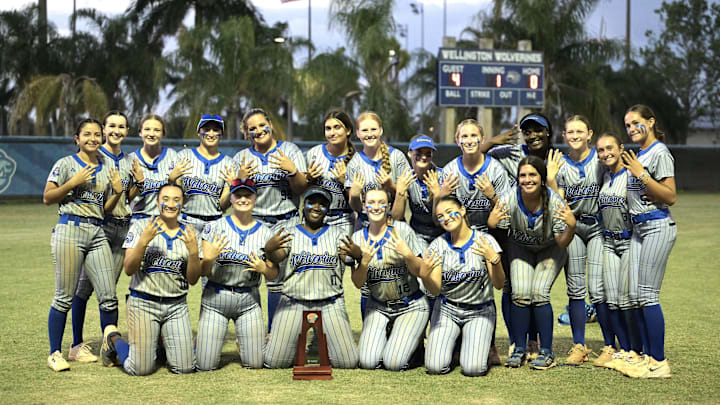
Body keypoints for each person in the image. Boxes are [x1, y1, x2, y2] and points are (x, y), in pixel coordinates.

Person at [43, 118, 121, 371]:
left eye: (97, 134)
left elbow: (104, 208)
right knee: (64, 296)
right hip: (70, 229)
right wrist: (71, 183)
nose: (93, 138)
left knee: (108, 296)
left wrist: (118, 193)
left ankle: (102, 349)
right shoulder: (65, 164)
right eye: (87, 134)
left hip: (97, 231)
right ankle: (55, 352)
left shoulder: (107, 165)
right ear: (76, 138)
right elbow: (47, 197)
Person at [101, 183, 201, 375]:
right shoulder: (141, 226)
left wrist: (194, 252)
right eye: (165, 199)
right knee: (140, 369)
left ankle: (162, 341)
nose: (170, 204)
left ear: (183, 204)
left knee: (185, 367)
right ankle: (113, 339)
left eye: (176, 200)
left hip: (176, 307)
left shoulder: (191, 232)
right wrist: (144, 241)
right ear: (157, 202)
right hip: (143, 303)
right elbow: (129, 269)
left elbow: (193, 279)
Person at [488, 156, 576, 370]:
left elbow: (562, 241)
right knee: (519, 293)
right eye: (523, 175)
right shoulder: (510, 197)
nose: (527, 179)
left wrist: (571, 227)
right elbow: (497, 230)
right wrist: (492, 222)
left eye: (532, 175)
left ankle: (546, 351)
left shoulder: (554, 200)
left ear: (542, 178)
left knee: (539, 293)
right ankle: (519, 348)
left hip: (551, 249)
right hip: (521, 248)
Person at [437, 119, 510, 364]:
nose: (469, 140)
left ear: (482, 138)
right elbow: (440, 211)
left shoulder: (496, 169)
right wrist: (442, 194)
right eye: (464, 136)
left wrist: (491, 195)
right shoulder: (449, 170)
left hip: (488, 233)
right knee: (455, 285)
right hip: (458, 236)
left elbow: (506, 210)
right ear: (457, 140)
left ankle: (488, 344)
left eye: (474, 135)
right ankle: (457, 342)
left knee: (485, 289)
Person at [264, 187, 359, 369]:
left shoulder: (338, 234)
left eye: (322, 204)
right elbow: (277, 257)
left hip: (330, 303)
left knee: (348, 362)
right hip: (293, 301)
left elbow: (349, 259)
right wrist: (269, 249)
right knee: (275, 362)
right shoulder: (289, 233)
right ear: (303, 206)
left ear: (328, 210)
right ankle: (271, 342)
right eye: (312, 202)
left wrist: (357, 254)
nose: (316, 207)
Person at [232, 108, 308, 334]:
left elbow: (302, 188)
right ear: (246, 133)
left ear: (271, 125)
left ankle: (278, 332)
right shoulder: (241, 158)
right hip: (255, 223)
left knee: (284, 282)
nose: (258, 130)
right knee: (250, 278)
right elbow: (237, 198)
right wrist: (241, 179)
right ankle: (251, 333)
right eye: (251, 128)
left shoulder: (289, 150)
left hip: (286, 221)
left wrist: (292, 170)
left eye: (261, 125)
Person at [69, 111, 136, 363]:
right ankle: (76, 344)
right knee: (84, 288)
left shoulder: (130, 160)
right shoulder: (97, 158)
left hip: (124, 228)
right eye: (111, 126)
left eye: (121, 126)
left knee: (109, 290)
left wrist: (136, 185)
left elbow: (127, 197)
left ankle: (109, 345)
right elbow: (97, 200)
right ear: (104, 130)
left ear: (127, 130)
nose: (116, 131)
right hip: (101, 227)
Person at [617, 104, 677, 379]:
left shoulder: (659, 151)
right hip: (639, 229)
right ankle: (647, 358)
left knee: (648, 296)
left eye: (636, 123)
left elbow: (670, 195)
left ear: (651, 122)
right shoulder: (638, 154)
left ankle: (659, 362)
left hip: (656, 226)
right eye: (627, 125)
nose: (631, 129)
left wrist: (642, 174)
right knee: (637, 296)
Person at [195, 178, 278, 371]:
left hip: (248, 301)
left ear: (255, 198)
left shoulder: (266, 233)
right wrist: (208, 259)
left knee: (255, 363)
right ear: (230, 198)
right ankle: (198, 344)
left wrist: (264, 269)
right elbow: (201, 272)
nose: (242, 199)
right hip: (215, 299)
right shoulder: (214, 227)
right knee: (205, 365)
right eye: (237, 195)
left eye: (247, 195)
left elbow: (274, 274)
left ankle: (246, 344)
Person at [343, 187, 429, 371]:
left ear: (388, 206)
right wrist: (364, 262)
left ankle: (415, 346)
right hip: (378, 306)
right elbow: (358, 283)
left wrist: (408, 254)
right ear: (364, 206)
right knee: (368, 362)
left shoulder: (402, 230)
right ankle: (393, 335)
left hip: (410, 305)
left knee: (393, 363)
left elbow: (421, 271)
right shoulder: (357, 237)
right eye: (371, 203)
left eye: (381, 203)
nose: (376, 207)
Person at [422, 196, 505, 376]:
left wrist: (495, 259)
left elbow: (499, 285)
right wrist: (424, 275)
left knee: (473, 369)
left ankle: (477, 347)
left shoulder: (485, 241)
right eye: (440, 216)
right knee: (435, 367)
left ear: (462, 210)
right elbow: (435, 289)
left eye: (450, 212)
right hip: (447, 309)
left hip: (480, 311)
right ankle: (454, 347)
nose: (446, 218)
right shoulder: (438, 245)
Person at [556, 115, 610, 365]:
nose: (575, 135)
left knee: (598, 289)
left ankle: (609, 346)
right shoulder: (560, 164)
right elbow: (558, 201)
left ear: (590, 134)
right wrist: (550, 178)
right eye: (570, 132)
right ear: (564, 136)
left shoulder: (600, 161)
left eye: (580, 131)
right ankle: (579, 346)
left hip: (597, 226)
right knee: (575, 289)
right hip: (574, 228)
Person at [345, 111, 411, 317]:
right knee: (367, 281)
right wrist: (354, 193)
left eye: (374, 129)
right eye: (365, 130)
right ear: (357, 133)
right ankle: (370, 327)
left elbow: (402, 196)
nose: (370, 133)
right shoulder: (355, 162)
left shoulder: (397, 157)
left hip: (393, 225)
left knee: (397, 276)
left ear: (381, 130)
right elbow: (355, 206)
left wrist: (390, 185)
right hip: (365, 226)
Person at [595, 133, 637, 370]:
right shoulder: (605, 175)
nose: (605, 153)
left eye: (609, 148)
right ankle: (622, 350)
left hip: (629, 241)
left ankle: (634, 349)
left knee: (626, 300)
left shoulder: (632, 174)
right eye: (601, 150)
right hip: (609, 243)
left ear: (621, 148)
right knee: (612, 300)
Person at [176, 114, 236, 234]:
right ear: (199, 132)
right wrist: (173, 179)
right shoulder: (183, 157)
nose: (211, 133)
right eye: (206, 129)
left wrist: (231, 188)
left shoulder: (229, 163)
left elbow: (223, 206)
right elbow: (176, 196)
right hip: (186, 221)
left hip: (214, 223)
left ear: (221, 134)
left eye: (216, 130)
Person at [305, 108, 356, 235]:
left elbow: (358, 203)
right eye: (328, 128)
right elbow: (301, 190)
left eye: (337, 127)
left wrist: (346, 181)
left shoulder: (357, 160)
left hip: (343, 219)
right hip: (315, 217)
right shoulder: (313, 153)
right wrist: (308, 178)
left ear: (348, 130)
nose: (332, 132)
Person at [128, 114, 187, 221]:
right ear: (140, 132)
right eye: (147, 129)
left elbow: (182, 197)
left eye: (157, 130)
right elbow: (125, 200)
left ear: (163, 133)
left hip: (167, 220)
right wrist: (139, 183)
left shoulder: (173, 156)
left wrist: (172, 180)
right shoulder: (131, 159)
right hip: (139, 220)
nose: (151, 134)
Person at [392, 134, 444, 246]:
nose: (424, 157)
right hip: (417, 234)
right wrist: (400, 192)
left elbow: (439, 222)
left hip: (442, 234)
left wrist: (438, 196)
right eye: (419, 153)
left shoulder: (443, 176)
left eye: (428, 153)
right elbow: (397, 218)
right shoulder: (405, 178)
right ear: (410, 153)